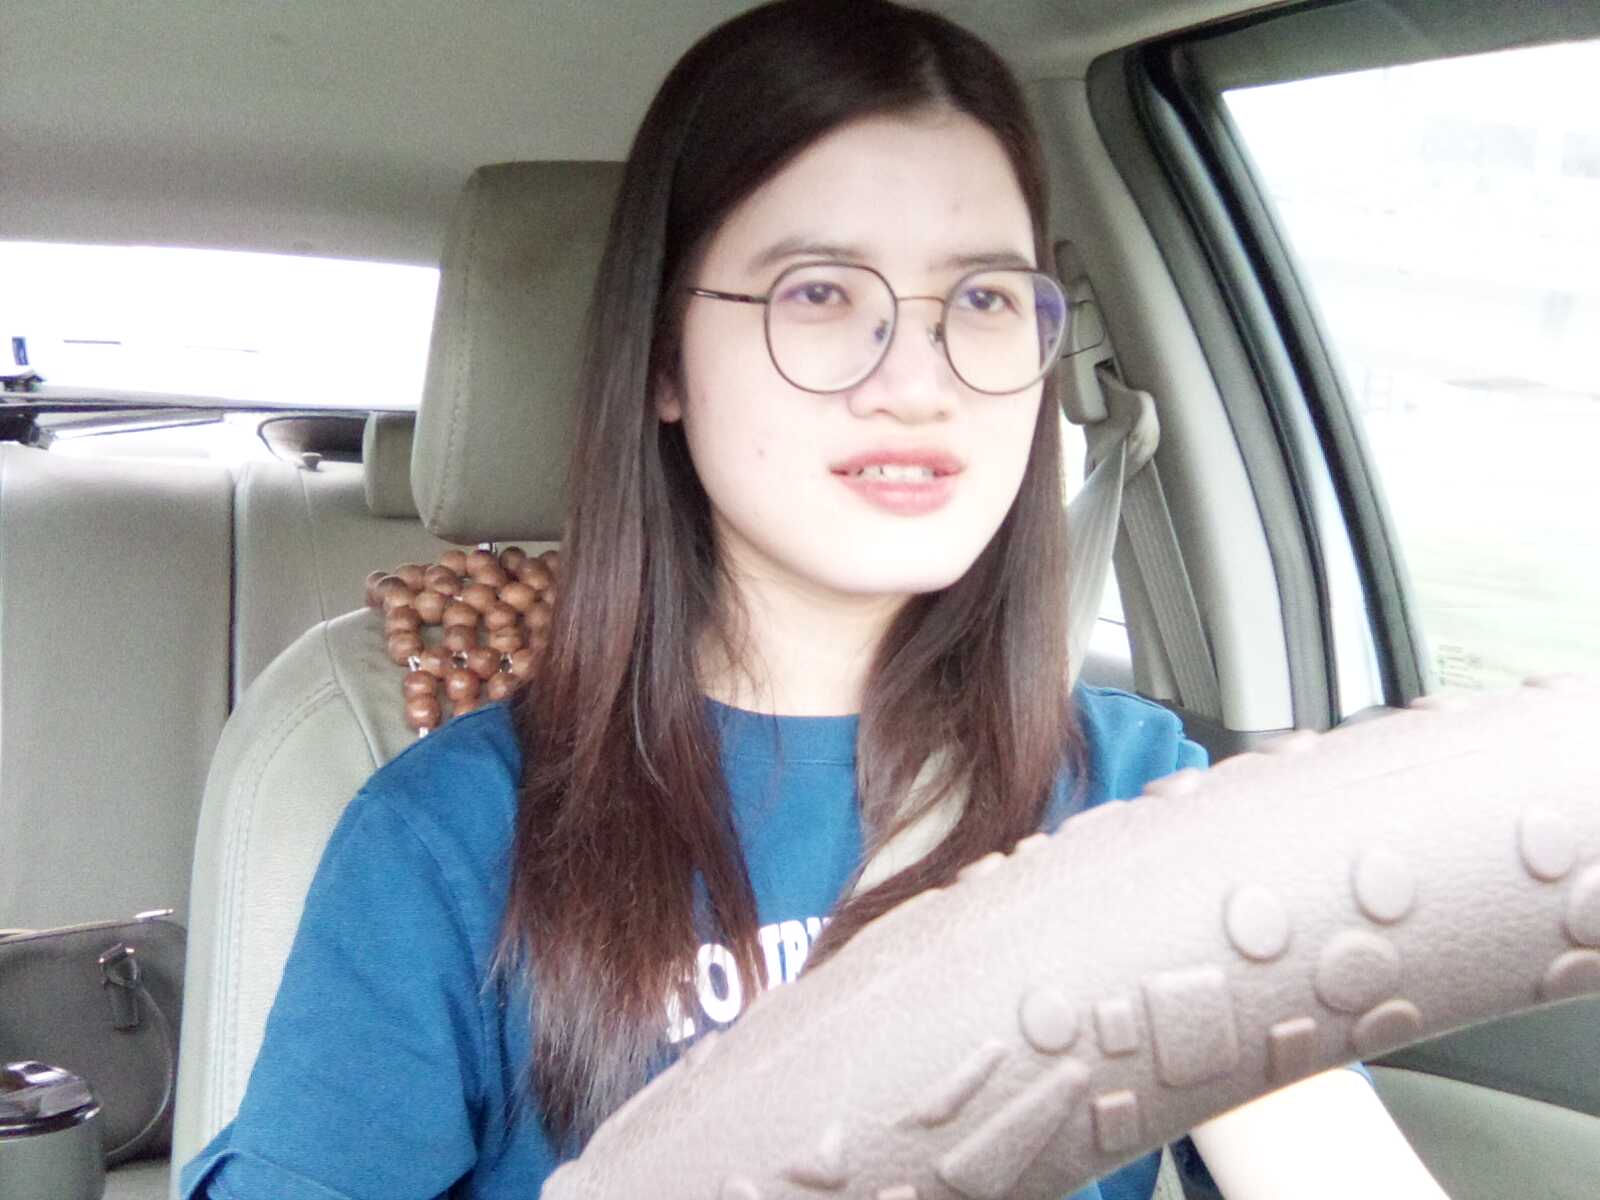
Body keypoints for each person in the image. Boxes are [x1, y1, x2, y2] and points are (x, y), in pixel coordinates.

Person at [180, 2, 1448, 1197]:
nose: (919, 380)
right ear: (664, 360)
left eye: (983, 299)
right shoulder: (448, 844)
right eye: (820, 293)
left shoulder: (1130, 797)